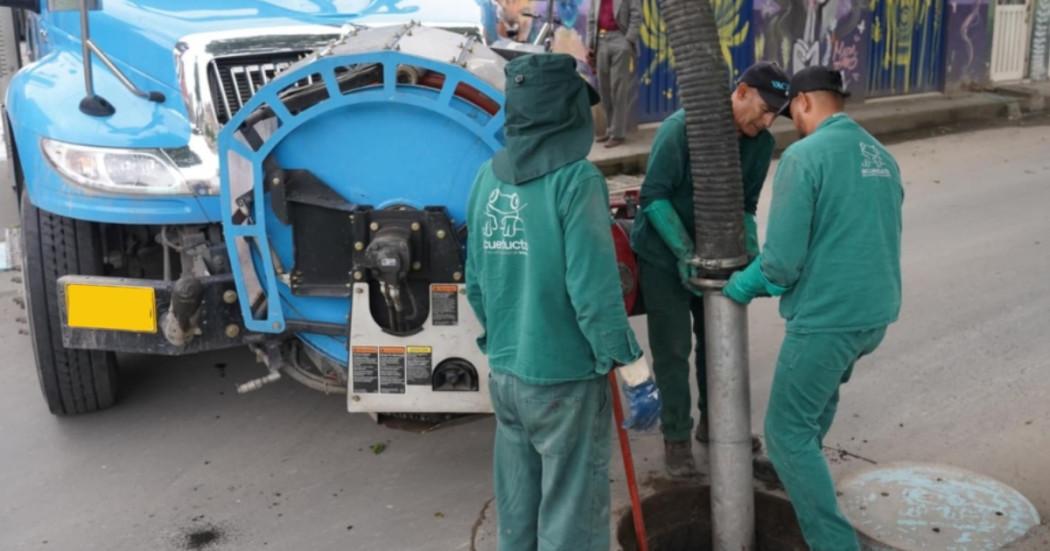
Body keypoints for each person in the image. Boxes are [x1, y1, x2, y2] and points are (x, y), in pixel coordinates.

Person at [465, 53, 661, 551]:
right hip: (564, 381)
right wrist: (634, 372)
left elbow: (476, 283)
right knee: (571, 520)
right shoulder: (576, 181)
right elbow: (595, 295)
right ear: (565, 109)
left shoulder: (486, 178)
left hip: (507, 377)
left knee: (518, 513)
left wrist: (503, 343)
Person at [723, 65, 903, 551]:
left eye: (789, 113)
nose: (788, 124)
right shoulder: (881, 156)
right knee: (813, 411)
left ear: (803, 102)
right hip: (874, 315)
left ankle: (833, 543)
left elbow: (780, 265)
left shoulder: (804, 157)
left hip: (828, 319)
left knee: (785, 434)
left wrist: (737, 288)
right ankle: (804, 483)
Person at [630, 61, 790, 478]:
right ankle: (677, 438)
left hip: (719, 254)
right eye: (764, 109)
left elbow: (746, 207)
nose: (768, 121)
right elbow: (654, 196)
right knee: (673, 348)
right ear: (741, 92)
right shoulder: (682, 129)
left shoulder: (760, 143)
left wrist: (752, 256)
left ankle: (716, 425)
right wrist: (684, 253)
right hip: (663, 254)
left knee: (719, 344)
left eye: (776, 114)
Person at [587, 0, 641, 148]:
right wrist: (590, 45)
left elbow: (636, 16)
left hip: (620, 38)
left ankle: (618, 134)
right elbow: (591, 19)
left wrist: (628, 41)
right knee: (604, 89)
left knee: (618, 88)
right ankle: (610, 129)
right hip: (601, 39)